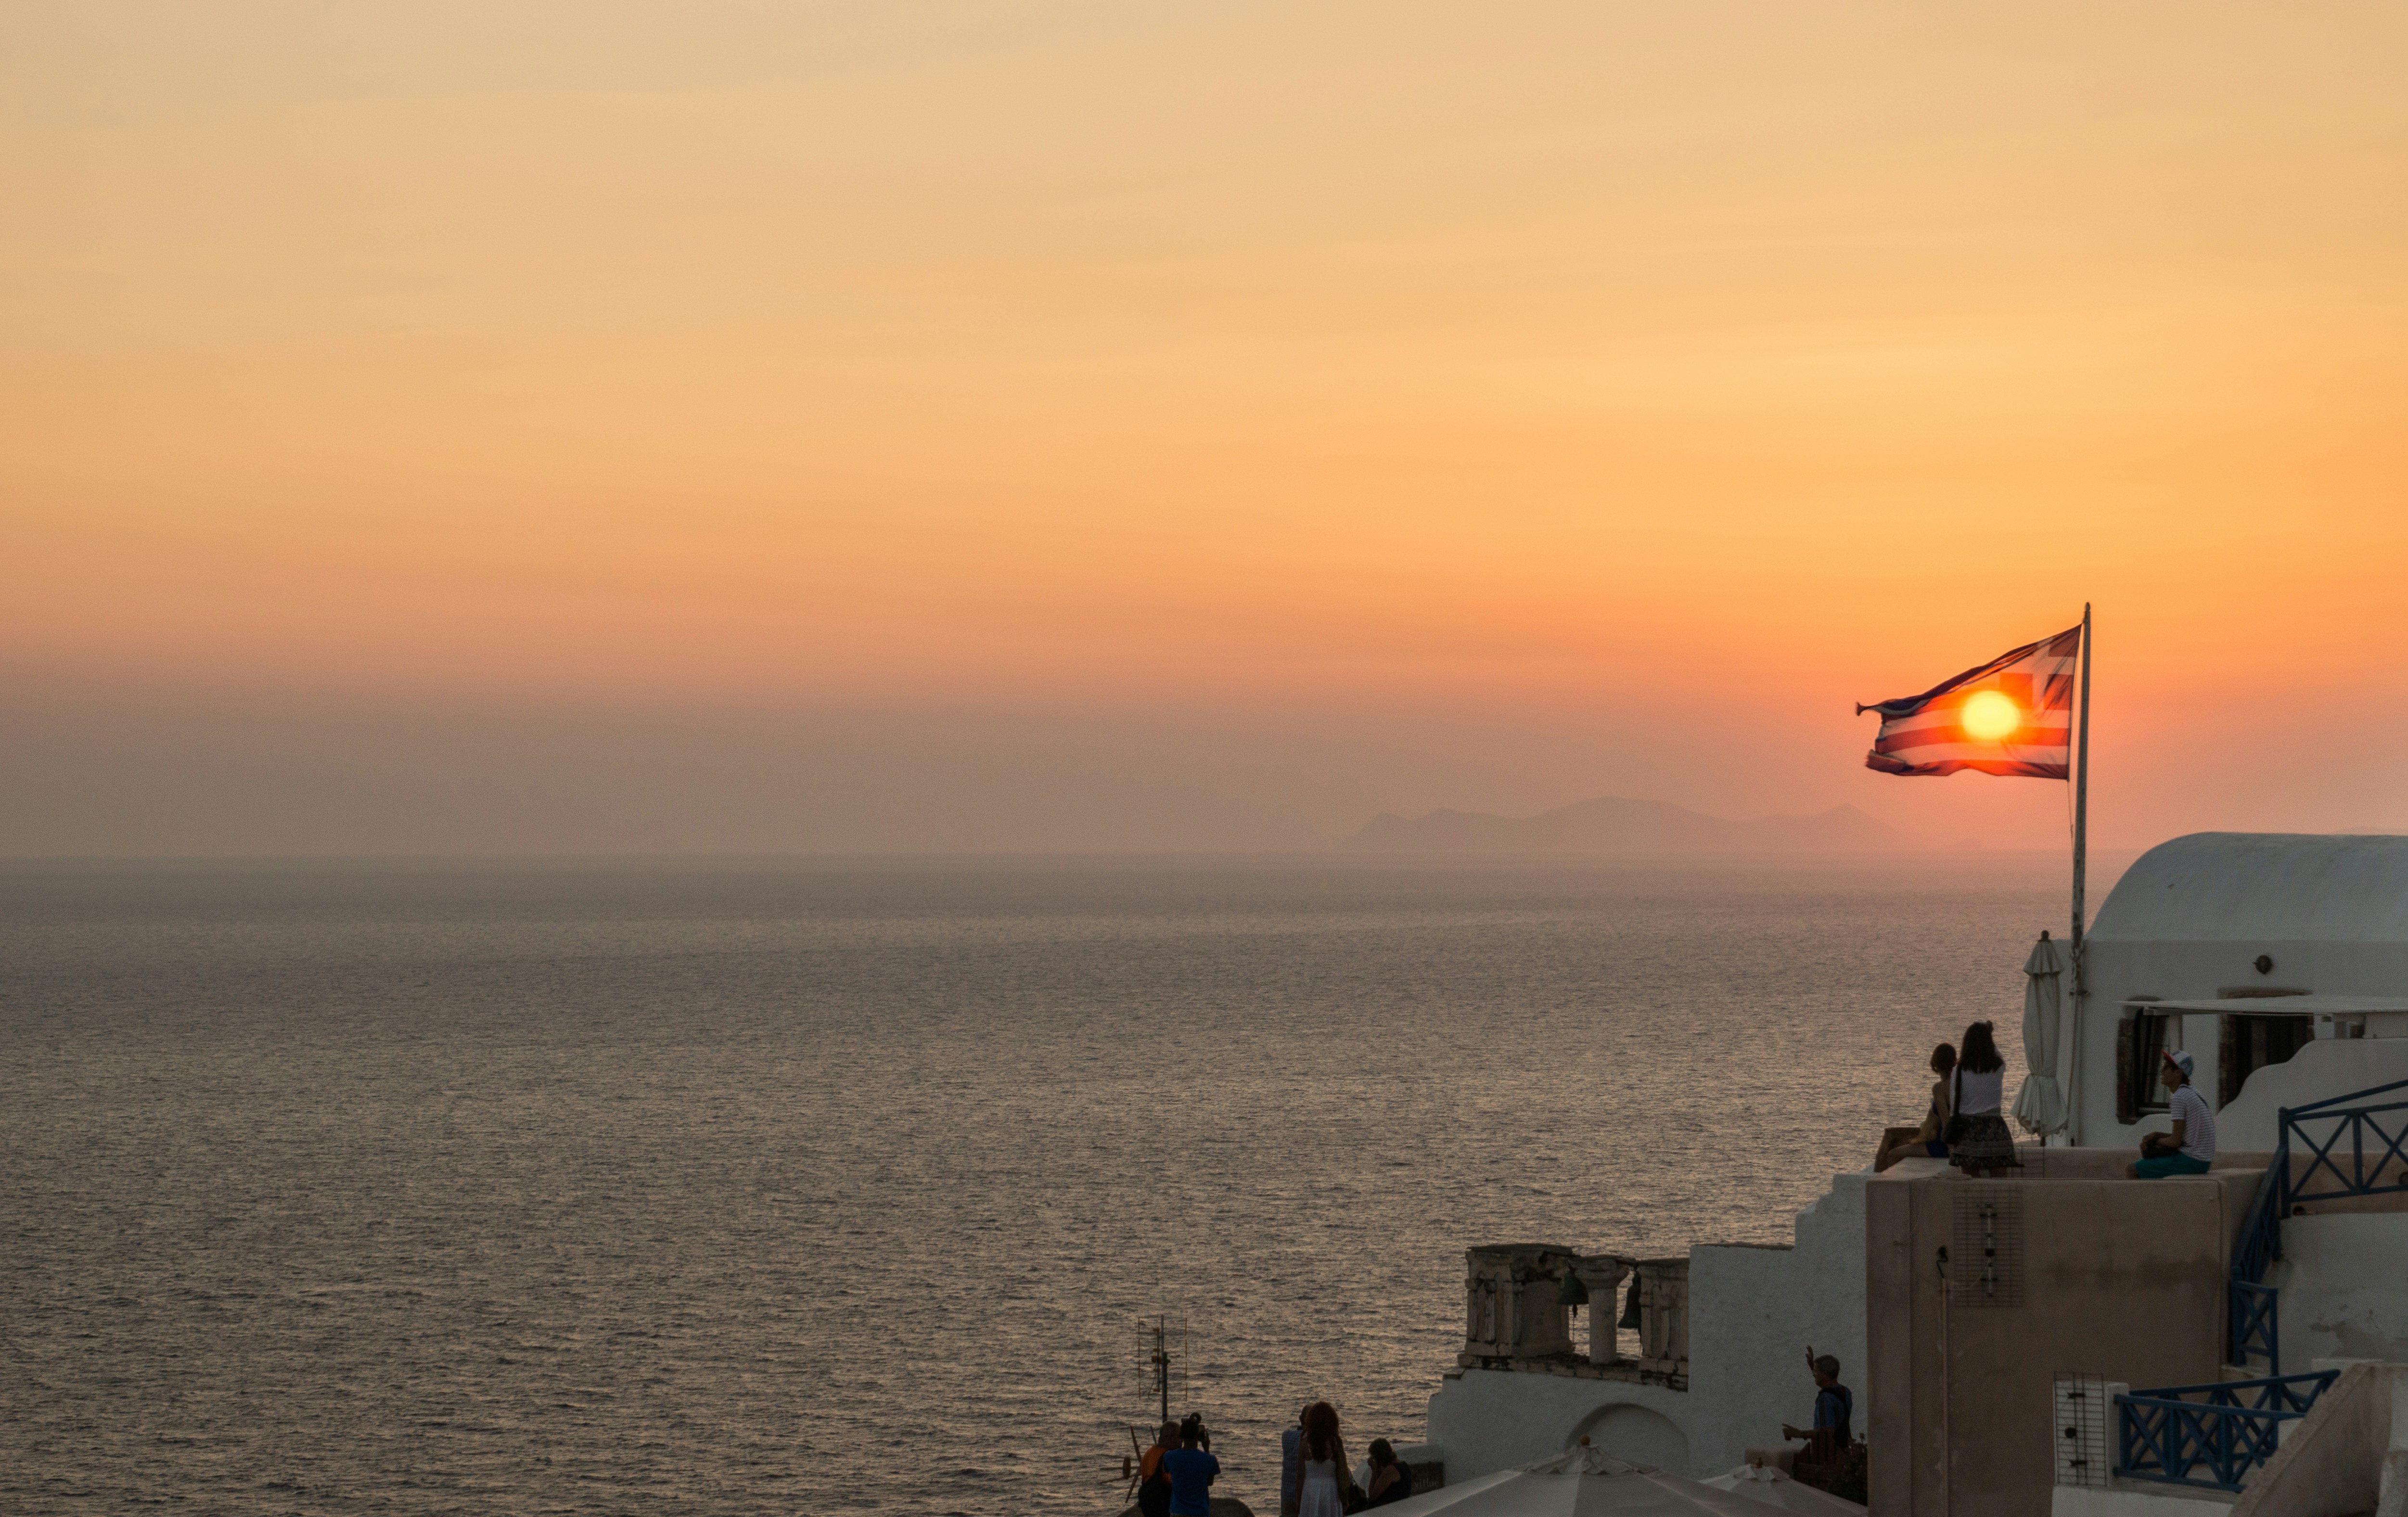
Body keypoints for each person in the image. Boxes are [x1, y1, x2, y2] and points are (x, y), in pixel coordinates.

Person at [2131, 1050, 2217, 1178]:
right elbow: (2182, 1138)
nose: (2162, 1071)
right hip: (2202, 1161)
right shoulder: (2192, 1093)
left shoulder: (2179, 1097)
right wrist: (2157, 1135)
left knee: (2132, 1170)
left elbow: (2175, 1142)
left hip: (2192, 1161)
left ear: (2178, 1072)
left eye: (2166, 1067)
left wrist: (2154, 1140)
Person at [1948, 1021, 2017, 1176]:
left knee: (1971, 1180)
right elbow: (1996, 1052)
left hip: (1967, 1128)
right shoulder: (1998, 1066)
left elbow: (1954, 1105)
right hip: (1994, 1126)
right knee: (1999, 1179)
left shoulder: (1959, 1070)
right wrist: (1989, 1033)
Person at [1880, 1042, 1957, 1169]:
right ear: (1954, 1061)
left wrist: (1952, 1152)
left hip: (1944, 1145)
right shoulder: (1961, 1085)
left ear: (1935, 1065)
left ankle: (1892, 1188)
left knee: (1893, 1154)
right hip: (1961, 1142)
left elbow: (1946, 1122)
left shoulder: (1939, 1088)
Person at [1780, 1348, 1853, 1462]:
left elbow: (1827, 1432)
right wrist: (1812, 1364)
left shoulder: (1825, 1399)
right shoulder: (1845, 1392)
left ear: (1825, 1374)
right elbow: (1827, 1383)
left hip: (1828, 1457)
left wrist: (1800, 1434)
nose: (1814, 1375)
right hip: (1843, 1451)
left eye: (1816, 1372)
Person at [1297, 1401, 1353, 1517]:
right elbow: (1341, 1473)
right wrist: (1345, 1501)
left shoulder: (1304, 1443)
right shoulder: (1336, 1443)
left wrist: (1298, 1501)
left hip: (1310, 1490)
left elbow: (1300, 1475)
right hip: (1331, 1490)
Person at [1161, 1414, 1220, 1517]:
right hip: (1200, 1512)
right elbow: (1209, 1482)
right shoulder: (1209, 1460)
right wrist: (1207, 1449)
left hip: (1178, 1511)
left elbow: (1168, 1472)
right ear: (1198, 1436)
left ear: (1181, 1436)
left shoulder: (1169, 1457)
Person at [1136, 1421, 1179, 1517]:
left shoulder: (1149, 1452)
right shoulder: (1168, 1456)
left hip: (1147, 1504)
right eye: (1180, 1438)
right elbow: (1171, 1481)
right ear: (1170, 1438)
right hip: (1162, 1505)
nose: (1182, 1441)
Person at [1361, 1439, 1414, 1508]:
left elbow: (1372, 1496)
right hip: (1399, 1507)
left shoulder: (1391, 1470)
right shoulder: (1403, 1465)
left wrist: (1374, 1471)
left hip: (1390, 1510)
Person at [1280, 1405, 1307, 1517]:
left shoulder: (1286, 1436)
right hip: (1305, 1495)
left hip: (1287, 1494)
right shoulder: (1311, 1441)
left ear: (1300, 1419)